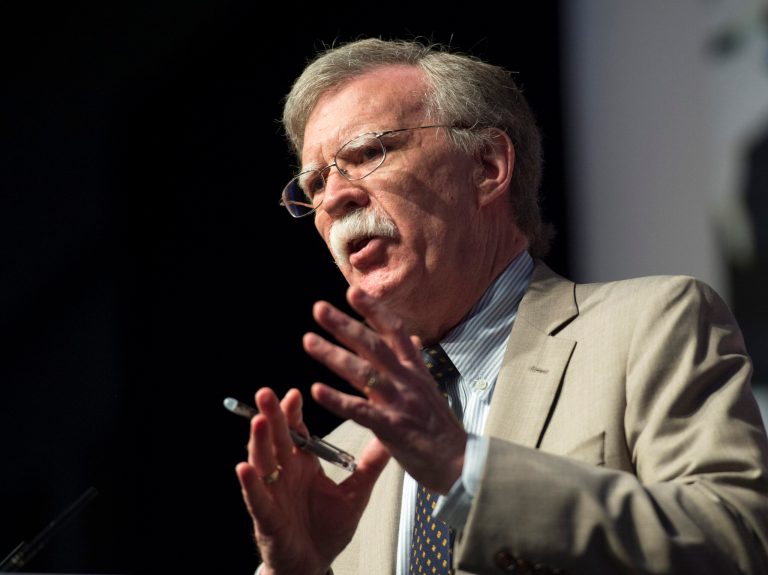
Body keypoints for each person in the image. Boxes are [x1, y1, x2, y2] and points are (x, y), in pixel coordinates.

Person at [234, 38, 768, 575]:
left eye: (369, 153)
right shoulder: (343, 457)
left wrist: (465, 467)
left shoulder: (649, 327)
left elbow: (735, 540)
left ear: (488, 166)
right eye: (316, 183)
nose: (334, 199)